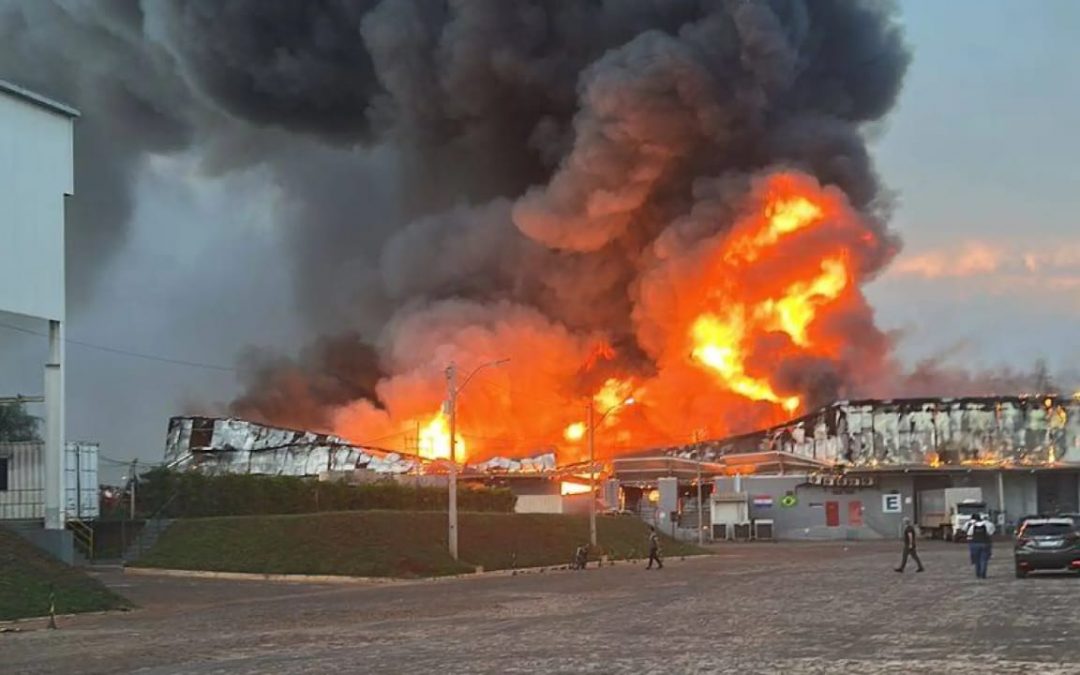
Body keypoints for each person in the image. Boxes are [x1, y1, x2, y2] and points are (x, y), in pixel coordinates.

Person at [965, 512, 995, 579]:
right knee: (984, 559)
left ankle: (978, 573)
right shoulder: (988, 525)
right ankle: (983, 573)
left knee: (977, 560)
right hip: (985, 543)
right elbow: (991, 533)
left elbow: (969, 533)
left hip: (975, 543)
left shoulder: (973, 525)